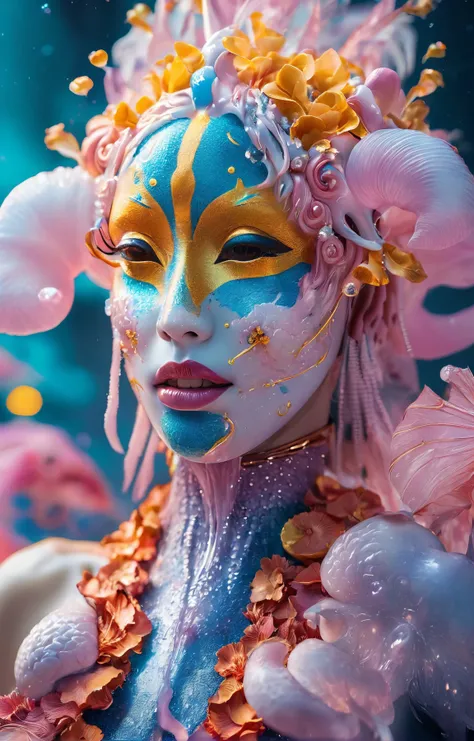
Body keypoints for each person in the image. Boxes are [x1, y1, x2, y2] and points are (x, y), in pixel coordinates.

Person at [1, 1, 474, 739]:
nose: (177, 315)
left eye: (248, 249)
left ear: (355, 275)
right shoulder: (33, 593)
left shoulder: (419, 615)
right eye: (138, 256)